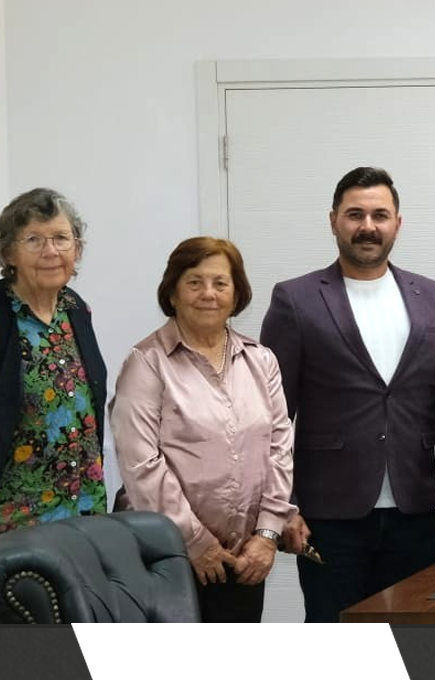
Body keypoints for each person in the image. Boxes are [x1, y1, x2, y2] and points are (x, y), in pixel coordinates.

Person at [260, 167, 435, 621]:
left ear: (397, 224)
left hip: (415, 511)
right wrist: (283, 508)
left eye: (380, 215)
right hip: (328, 516)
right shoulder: (296, 299)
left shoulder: (430, 295)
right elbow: (271, 417)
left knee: (412, 640)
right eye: (355, 215)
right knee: (336, 639)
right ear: (333, 221)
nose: (368, 226)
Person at [111, 238, 308, 622]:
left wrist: (267, 535)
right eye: (194, 282)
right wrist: (194, 541)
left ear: (236, 295)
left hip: (245, 557)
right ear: (173, 293)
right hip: (166, 555)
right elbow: (141, 465)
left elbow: (279, 449)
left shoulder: (261, 360)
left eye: (221, 283)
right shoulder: (146, 363)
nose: (208, 294)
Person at [0, 188, 108, 531]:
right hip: (17, 520)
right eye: (33, 239)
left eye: (61, 238)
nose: (51, 251)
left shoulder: (76, 309)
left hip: (85, 510)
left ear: (77, 249)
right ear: (8, 253)